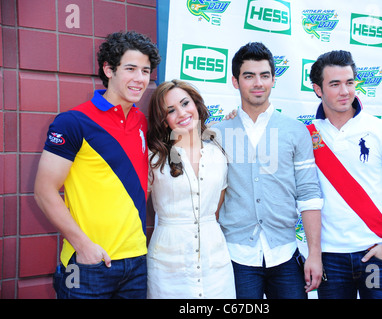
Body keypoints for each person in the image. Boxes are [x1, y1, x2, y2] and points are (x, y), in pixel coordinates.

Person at [34, 31, 161, 299]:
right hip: (87, 263)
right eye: (130, 69)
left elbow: (186, 132)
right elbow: (44, 192)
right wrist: (84, 247)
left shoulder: (142, 122)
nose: (139, 78)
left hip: (137, 261)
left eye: (145, 71)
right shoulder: (73, 122)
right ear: (108, 69)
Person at [212, 42, 323, 299]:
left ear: (273, 79)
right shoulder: (217, 133)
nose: (257, 83)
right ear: (235, 81)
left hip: (284, 255)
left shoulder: (296, 131)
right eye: (248, 76)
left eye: (264, 75)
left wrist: (314, 254)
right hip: (236, 256)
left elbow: (308, 194)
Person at [308, 50, 382, 299]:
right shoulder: (305, 135)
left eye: (350, 82)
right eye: (335, 84)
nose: (345, 91)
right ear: (318, 89)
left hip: (377, 254)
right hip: (330, 259)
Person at [146, 79, 235, 299]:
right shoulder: (153, 158)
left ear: (196, 105)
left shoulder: (219, 154)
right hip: (167, 265)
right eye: (171, 110)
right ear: (164, 121)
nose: (182, 113)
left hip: (215, 263)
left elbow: (216, 207)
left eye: (186, 103)